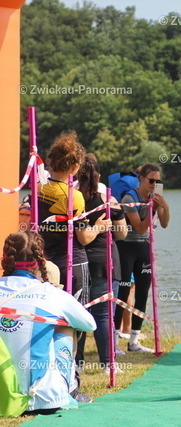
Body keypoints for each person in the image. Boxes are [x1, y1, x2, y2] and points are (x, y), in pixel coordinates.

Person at [0, 231, 96, 414]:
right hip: (42, 399)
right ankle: (70, 391)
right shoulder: (51, 293)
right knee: (66, 327)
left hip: (3, 396)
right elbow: (90, 324)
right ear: (40, 260)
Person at [37, 130, 110, 368]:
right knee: (75, 317)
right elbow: (83, 237)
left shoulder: (38, 189)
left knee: (48, 317)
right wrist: (99, 227)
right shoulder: (74, 196)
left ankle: (49, 365)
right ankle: (73, 369)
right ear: (75, 166)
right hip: (72, 262)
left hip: (44, 263)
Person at [76, 154, 128, 371]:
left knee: (77, 313)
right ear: (98, 174)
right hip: (105, 261)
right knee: (105, 315)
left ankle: (77, 364)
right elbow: (122, 233)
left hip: (79, 262)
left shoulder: (73, 199)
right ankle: (108, 364)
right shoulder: (108, 199)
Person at [114, 163, 170, 352]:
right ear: (141, 179)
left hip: (143, 247)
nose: (154, 184)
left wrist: (164, 206)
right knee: (122, 294)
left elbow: (164, 224)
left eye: (158, 181)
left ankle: (134, 341)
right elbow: (139, 227)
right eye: (151, 181)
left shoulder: (155, 197)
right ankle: (114, 340)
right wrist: (151, 206)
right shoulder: (130, 198)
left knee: (142, 293)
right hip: (125, 247)